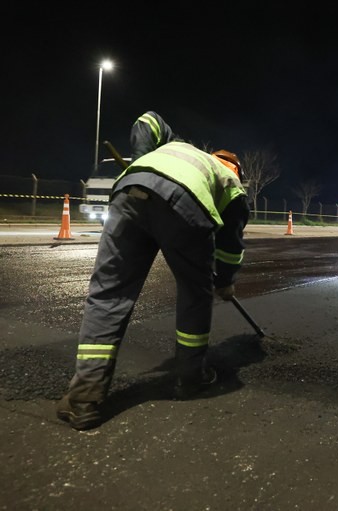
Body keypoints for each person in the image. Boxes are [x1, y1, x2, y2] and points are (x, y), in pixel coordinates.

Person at [56, 112, 251, 430]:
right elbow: (230, 249)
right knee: (194, 293)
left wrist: (144, 165)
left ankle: (83, 400)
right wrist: (225, 281)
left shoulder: (178, 147)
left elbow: (148, 120)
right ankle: (191, 378)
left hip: (131, 190)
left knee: (109, 294)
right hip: (188, 207)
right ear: (237, 171)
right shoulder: (233, 187)